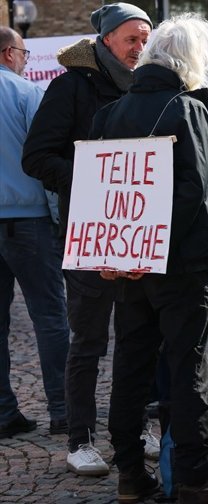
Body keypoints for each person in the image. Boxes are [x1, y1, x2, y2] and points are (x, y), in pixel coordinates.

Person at [88, 13, 208, 502]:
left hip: (131, 262)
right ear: (191, 58)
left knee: (130, 364)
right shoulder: (186, 107)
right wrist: (156, 244)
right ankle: (194, 477)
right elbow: (193, 189)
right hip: (179, 263)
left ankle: (131, 474)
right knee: (185, 367)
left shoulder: (111, 110)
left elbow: (100, 190)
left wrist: (124, 248)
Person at [21, 3, 159, 476]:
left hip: (139, 230)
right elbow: (37, 157)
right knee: (89, 339)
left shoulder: (150, 87)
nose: (140, 48)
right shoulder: (71, 88)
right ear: (105, 41)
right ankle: (79, 438)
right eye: (131, 39)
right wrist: (92, 178)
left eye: (145, 39)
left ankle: (136, 427)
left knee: (140, 337)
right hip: (90, 232)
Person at [0, 26, 70, 441]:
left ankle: (4, 411)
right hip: (28, 220)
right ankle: (62, 410)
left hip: (20, 218)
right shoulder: (27, 93)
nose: (26, 59)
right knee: (49, 316)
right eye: (24, 52)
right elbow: (46, 159)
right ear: (9, 53)